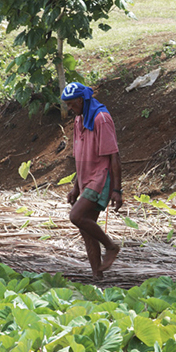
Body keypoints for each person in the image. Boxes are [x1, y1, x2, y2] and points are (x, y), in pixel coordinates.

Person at [62, 82, 123, 280]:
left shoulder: (101, 119)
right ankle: (97, 276)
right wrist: (75, 188)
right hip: (86, 180)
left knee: (76, 216)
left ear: (81, 100)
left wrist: (117, 190)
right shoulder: (79, 120)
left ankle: (111, 246)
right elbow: (80, 158)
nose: (70, 109)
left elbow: (114, 156)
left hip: (100, 178)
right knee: (86, 229)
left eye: (72, 104)